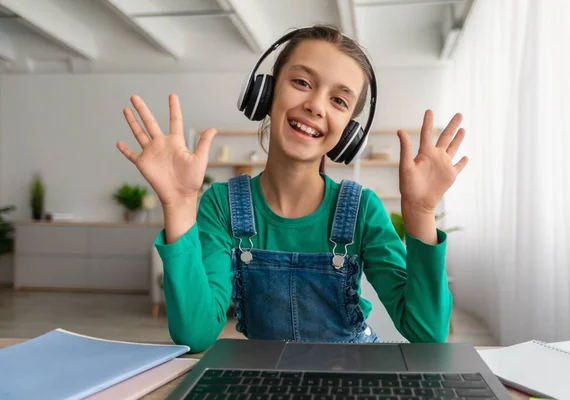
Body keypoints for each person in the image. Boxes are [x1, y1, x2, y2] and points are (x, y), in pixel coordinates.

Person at [116, 25, 468, 353]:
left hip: (353, 374)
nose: (316, 105)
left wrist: (421, 212)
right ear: (266, 93)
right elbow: (194, 335)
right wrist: (178, 204)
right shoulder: (221, 206)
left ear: (348, 132)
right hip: (268, 378)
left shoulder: (362, 209)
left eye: (339, 101)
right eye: (302, 82)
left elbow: (428, 334)